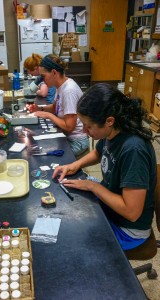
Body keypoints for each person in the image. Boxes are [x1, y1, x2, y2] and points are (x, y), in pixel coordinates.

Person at [53, 83, 157, 251]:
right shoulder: (113, 130)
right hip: (111, 208)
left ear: (109, 120)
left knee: (71, 243)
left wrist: (92, 186)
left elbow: (131, 212)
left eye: (89, 126)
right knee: (67, 210)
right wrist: (75, 165)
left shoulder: (133, 150)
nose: (85, 131)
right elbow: (99, 152)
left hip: (128, 230)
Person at [27, 54, 89, 157]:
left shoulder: (69, 91)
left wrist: (48, 116)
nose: (42, 80)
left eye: (43, 76)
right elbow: (54, 107)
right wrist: (39, 108)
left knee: (45, 156)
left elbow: (69, 127)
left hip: (77, 142)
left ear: (54, 73)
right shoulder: (60, 87)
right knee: (38, 148)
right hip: (67, 136)